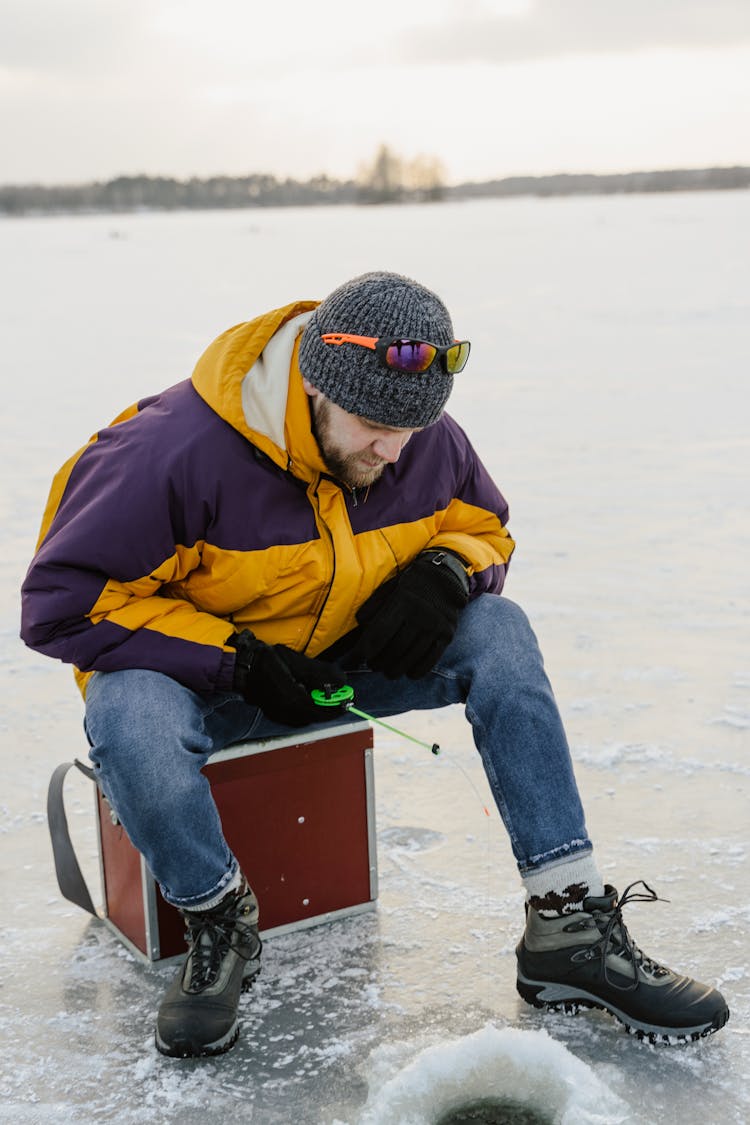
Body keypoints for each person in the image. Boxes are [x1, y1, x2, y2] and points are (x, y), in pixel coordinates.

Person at [21, 271, 728, 1059]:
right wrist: (231, 659)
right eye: (372, 426)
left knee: (498, 629)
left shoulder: (422, 442)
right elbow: (62, 604)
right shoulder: (168, 456)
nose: (393, 452)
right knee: (126, 712)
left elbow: (485, 526)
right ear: (315, 386)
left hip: (346, 670)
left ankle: (565, 921)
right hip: (205, 689)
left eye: (412, 430)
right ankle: (218, 920)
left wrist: (451, 572)